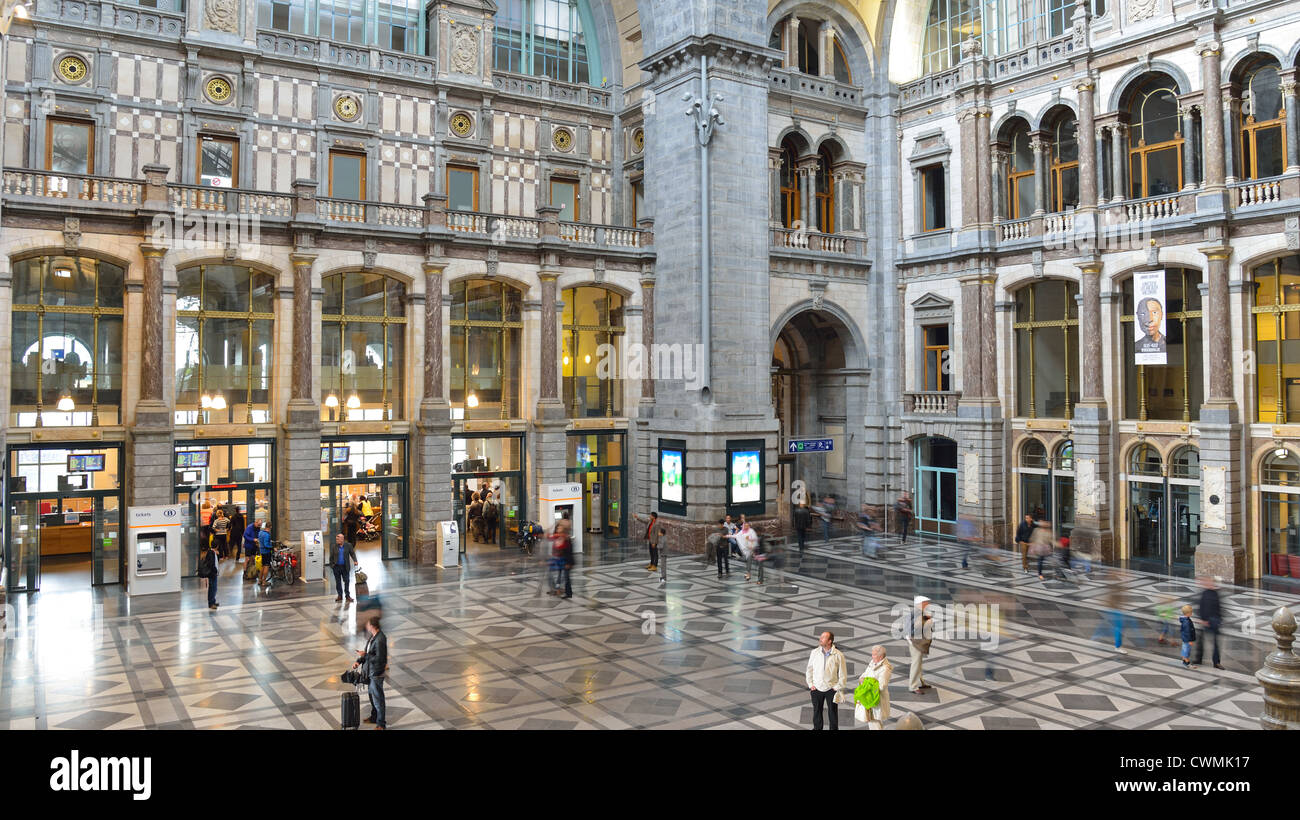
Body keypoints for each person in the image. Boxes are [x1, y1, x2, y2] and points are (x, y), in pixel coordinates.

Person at [805, 631, 847, 730]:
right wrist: (810, 684)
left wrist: (837, 687)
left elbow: (843, 674)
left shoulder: (838, 655)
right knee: (817, 712)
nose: (820, 638)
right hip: (816, 688)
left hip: (831, 689)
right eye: (821, 636)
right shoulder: (814, 653)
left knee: (832, 713)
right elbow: (809, 669)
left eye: (823, 637)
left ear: (829, 641)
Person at [352, 615, 388, 730]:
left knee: (378, 700)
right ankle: (374, 717)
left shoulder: (380, 639)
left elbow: (380, 659)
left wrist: (365, 655)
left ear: (372, 626)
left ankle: (381, 724)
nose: (366, 626)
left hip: (376, 674)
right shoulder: (373, 637)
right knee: (372, 697)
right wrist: (359, 661)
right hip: (370, 672)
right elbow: (368, 652)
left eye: (368, 624)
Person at [855, 645, 893, 729]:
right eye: (872, 654)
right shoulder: (872, 663)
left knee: (874, 722)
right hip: (869, 697)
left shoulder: (885, 668)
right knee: (872, 722)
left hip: (877, 699)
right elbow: (865, 674)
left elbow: (882, 685)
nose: (872, 656)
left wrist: (867, 682)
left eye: (874, 655)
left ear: (881, 656)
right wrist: (862, 679)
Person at [1191, 576, 1224, 669]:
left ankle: (1216, 662)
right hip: (1205, 621)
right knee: (1201, 642)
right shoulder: (1204, 593)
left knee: (1215, 643)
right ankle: (1199, 659)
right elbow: (1201, 607)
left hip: (1214, 621)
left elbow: (1219, 607)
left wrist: (1219, 619)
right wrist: (1202, 619)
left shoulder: (1215, 594)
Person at [904, 596, 934, 694]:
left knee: (919, 663)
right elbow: (916, 627)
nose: (928, 604)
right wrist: (929, 621)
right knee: (916, 663)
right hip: (915, 642)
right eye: (926, 603)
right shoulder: (917, 613)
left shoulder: (921, 612)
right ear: (920, 604)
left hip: (918, 642)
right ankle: (913, 686)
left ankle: (920, 683)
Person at [330, 532, 359, 603]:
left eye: (338, 539)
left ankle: (347, 595)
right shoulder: (334, 546)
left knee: (347, 581)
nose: (336, 540)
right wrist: (332, 566)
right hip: (336, 567)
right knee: (338, 582)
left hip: (345, 567)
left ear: (342, 539)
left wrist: (355, 560)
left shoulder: (348, 545)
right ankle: (340, 595)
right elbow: (331, 557)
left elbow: (352, 553)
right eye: (336, 539)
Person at [197, 539, 219, 610]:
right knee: (212, 589)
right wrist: (215, 571)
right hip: (212, 574)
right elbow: (212, 564)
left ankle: (213, 601)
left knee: (214, 588)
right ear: (217, 546)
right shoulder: (211, 553)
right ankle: (211, 603)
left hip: (213, 573)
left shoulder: (212, 552)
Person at [257, 521, 274, 587]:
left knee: (262, 566)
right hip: (266, 552)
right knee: (266, 566)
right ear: (270, 527)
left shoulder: (260, 532)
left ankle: (260, 580)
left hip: (261, 551)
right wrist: (272, 548)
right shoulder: (267, 535)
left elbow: (260, 541)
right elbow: (266, 544)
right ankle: (264, 581)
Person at [1179, 604, 1196, 668]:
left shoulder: (1186, 619)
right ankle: (1187, 662)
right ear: (1188, 613)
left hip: (1185, 638)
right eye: (1191, 612)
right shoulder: (1186, 622)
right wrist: (1190, 640)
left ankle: (1184, 660)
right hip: (1187, 639)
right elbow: (1187, 632)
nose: (1192, 613)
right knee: (1186, 650)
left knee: (1185, 649)